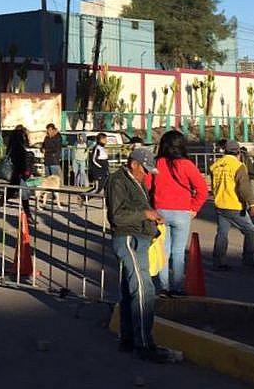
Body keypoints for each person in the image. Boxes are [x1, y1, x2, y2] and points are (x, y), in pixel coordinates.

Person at [106, 146, 170, 363]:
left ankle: (128, 338)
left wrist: (152, 218)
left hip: (139, 237)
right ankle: (144, 343)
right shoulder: (118, 181)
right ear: (134, 164)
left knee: (129, 288)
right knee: (144, 289)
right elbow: (118, 216)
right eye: (144, 169)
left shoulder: (137, 181)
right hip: (128, 238)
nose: (146, 174)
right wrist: (146, 213)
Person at [151, 130, 208, 296]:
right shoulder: (187, 164)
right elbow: (202, 189)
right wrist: (193, 208)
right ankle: (176, 288)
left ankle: (163, 287)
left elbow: (148, 186)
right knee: (178, 253)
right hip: (182, 212)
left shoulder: (157, 164)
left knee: (163, 251)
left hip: (160, 210)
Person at [210, 140, 254, 270]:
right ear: (238, 152)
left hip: (219, 204)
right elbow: (244, 188)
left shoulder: (216, 165)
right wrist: (252, 204)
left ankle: (219, 262)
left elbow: (213, 185)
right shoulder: (238, 166)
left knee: (222, 233)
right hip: (234, 205)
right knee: (249, 230)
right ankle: (248, 259)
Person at [0, 126, 32, 218]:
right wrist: (26, 171)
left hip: (14, 172)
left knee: (11, 192)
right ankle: (28, 216)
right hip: (18, 172)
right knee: (24, 193)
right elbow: (22, 160)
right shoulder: (20, 146)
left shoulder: (12, 142)